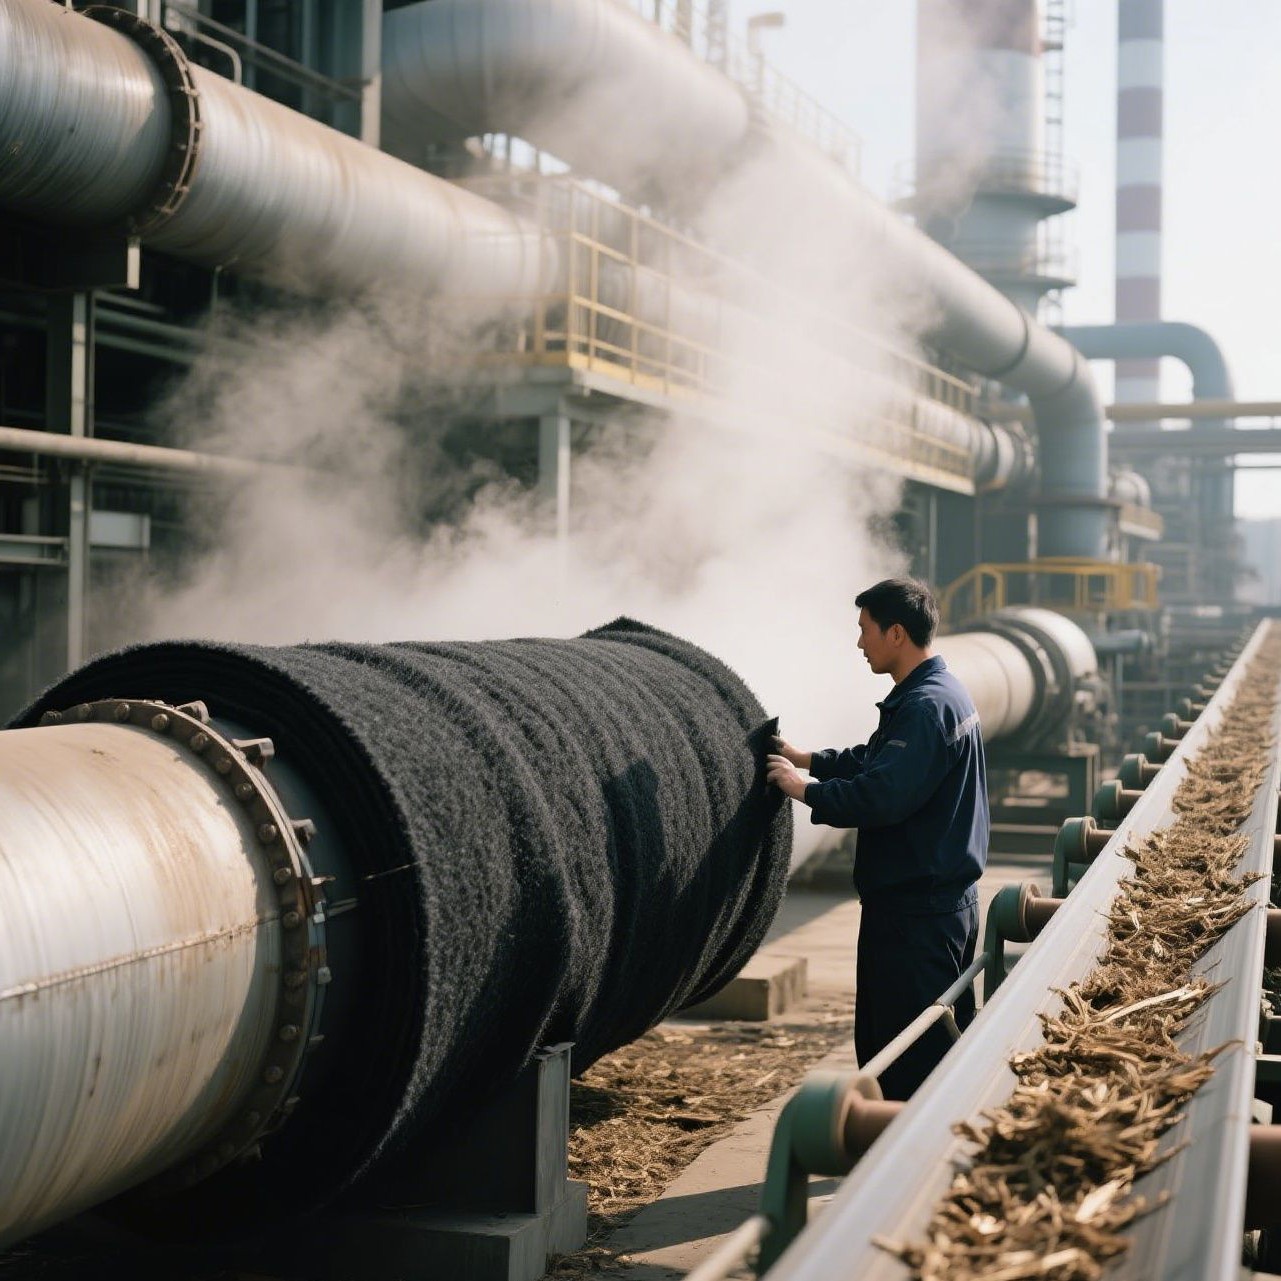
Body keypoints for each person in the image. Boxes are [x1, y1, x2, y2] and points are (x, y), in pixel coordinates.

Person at [765, 577, 988, 1100]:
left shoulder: (924, 707)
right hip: (937, 904)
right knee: (933, 1037)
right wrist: (809, 759)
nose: (859, 643)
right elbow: (877, 760)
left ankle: (904, 1159)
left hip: (916, 915)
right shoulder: (937, 695)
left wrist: (804, 791)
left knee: (904, 1051)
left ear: (895, 633)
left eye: (864, 630)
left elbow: (882, 795)